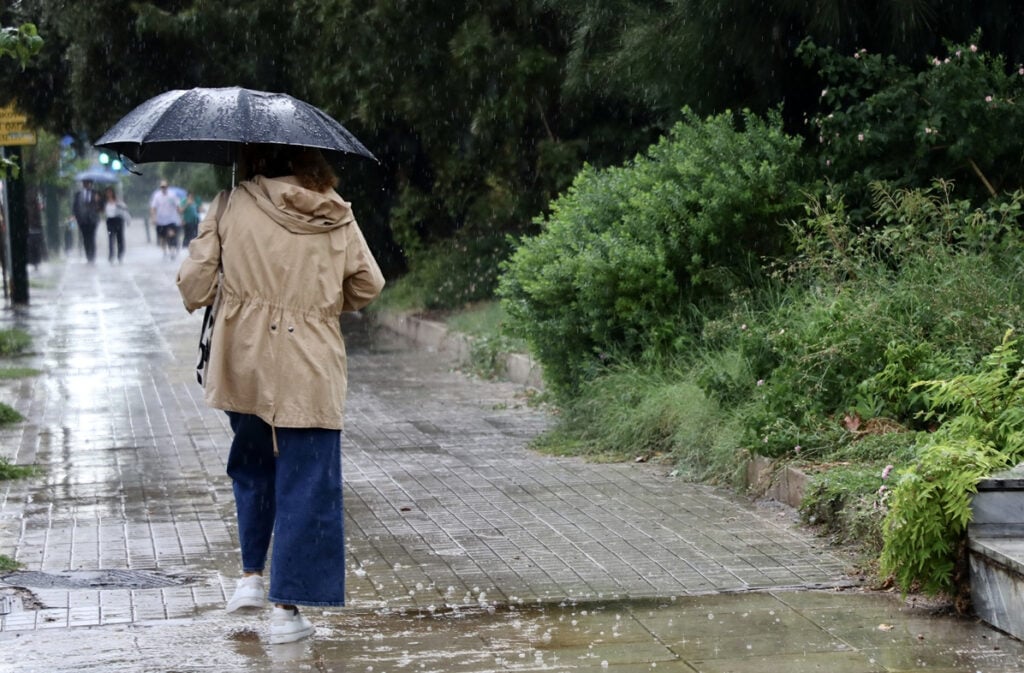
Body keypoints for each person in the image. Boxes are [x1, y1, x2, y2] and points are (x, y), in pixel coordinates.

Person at [176, 145, 385, 645]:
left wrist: (231, 264)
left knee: (252, 465)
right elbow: (368, 284)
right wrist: (318, 300)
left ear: (253, 159)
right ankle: (286, 611)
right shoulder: (334, 212)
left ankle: (250, 576)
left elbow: (194, 286)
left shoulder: (230, 203)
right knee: (306, 482)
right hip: (310, 364)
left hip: (243, 360)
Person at [150, 180, 181, 259]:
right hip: (160, 221)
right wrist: (153, 218)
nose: (163, 188)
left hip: (171, 219)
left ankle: (172, 251)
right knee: (162, 238)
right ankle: (165, 252)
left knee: (171, 235)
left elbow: (177, 205)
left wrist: (180, 215)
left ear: (167, 187)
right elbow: (153, 208)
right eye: (162, 187)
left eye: (165, 187)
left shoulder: (172, 195)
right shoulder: (157, 196)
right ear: (160, 187)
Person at [72, 179, 102, 263]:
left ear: (91, 184)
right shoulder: (78, 194)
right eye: (85, 183)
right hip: (82, 220)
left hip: (93, 219)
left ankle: (92, 256)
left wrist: (97, 201)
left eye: (88, 183)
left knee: (92, 237)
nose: (86, 184)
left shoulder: (96, 193)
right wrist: (77, 217)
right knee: (85, 238)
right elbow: (75, 207)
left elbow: (101, 206)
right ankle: (88, 256)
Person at [103, 187, 130, 264]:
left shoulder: (118, 201)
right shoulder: (105, 202)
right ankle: (111, 256)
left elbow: (125, 208)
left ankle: (120, 255)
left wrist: (119, 203)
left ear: (112, 193)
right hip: (110, 221)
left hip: (118, 220)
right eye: (107, 192)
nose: (108, 194)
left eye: (110, 192)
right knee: (111, 239)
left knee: (120, 239)